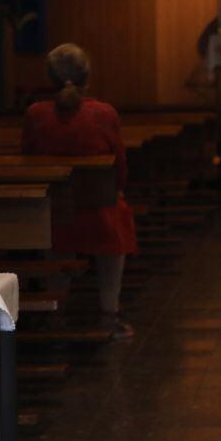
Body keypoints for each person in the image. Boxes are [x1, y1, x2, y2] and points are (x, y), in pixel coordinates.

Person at [22, 44, 138, 340]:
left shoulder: (36, 114)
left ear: (50, 78)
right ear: (88, 76)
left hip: (54, 214)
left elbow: (27, 160)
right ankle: (109, 311)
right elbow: (119, 169)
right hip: (98, 213)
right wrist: (118, 191)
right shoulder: (104, 113)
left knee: (52, 221)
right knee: (116, 210)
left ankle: (56, 312)